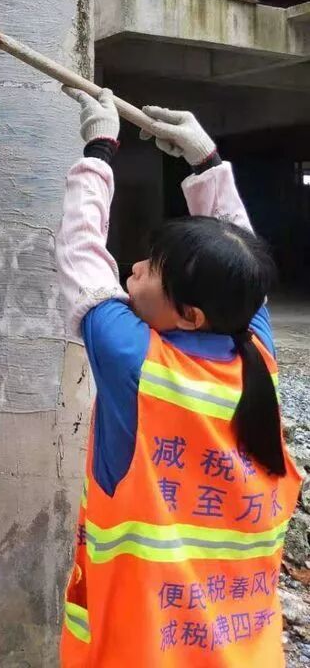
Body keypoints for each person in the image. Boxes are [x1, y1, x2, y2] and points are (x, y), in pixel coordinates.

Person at [56, 89, 301, 667]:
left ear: (189, 315)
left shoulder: (135, 360)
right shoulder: (255, 352)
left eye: (150, 271)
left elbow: (81, 252)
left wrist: (99, 150)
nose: (134, 268)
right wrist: (208, 164)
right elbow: (241, 267)